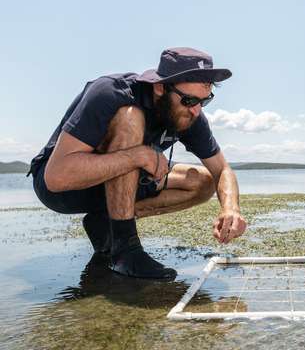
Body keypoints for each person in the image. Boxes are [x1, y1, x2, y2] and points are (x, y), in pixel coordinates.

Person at [29, 47, 247, 280]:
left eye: (205, 101)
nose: (195, 111)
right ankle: (125, 251)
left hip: (120, 185)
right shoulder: (112, 92)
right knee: (130, 117)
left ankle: (106, 223)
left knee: (202, 181)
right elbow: (56, 177)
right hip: (64, 187)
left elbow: (221, 169)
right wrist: (138, 156)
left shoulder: (192, 114)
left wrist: (231, 208)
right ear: (160, 87)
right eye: (189, 100)